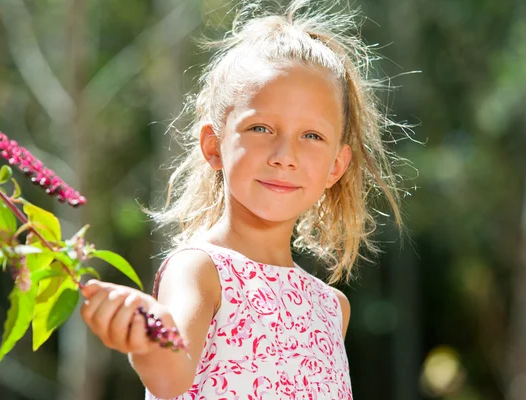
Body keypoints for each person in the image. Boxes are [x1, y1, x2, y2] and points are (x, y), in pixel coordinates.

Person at [81, 0, 409, 398]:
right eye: (260, 127)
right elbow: (169, 379)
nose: (284, 156)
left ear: (336, 166)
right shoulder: (200, 270)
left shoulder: (332, 307)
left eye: (312, 136)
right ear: (214, 145)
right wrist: (148, 334)